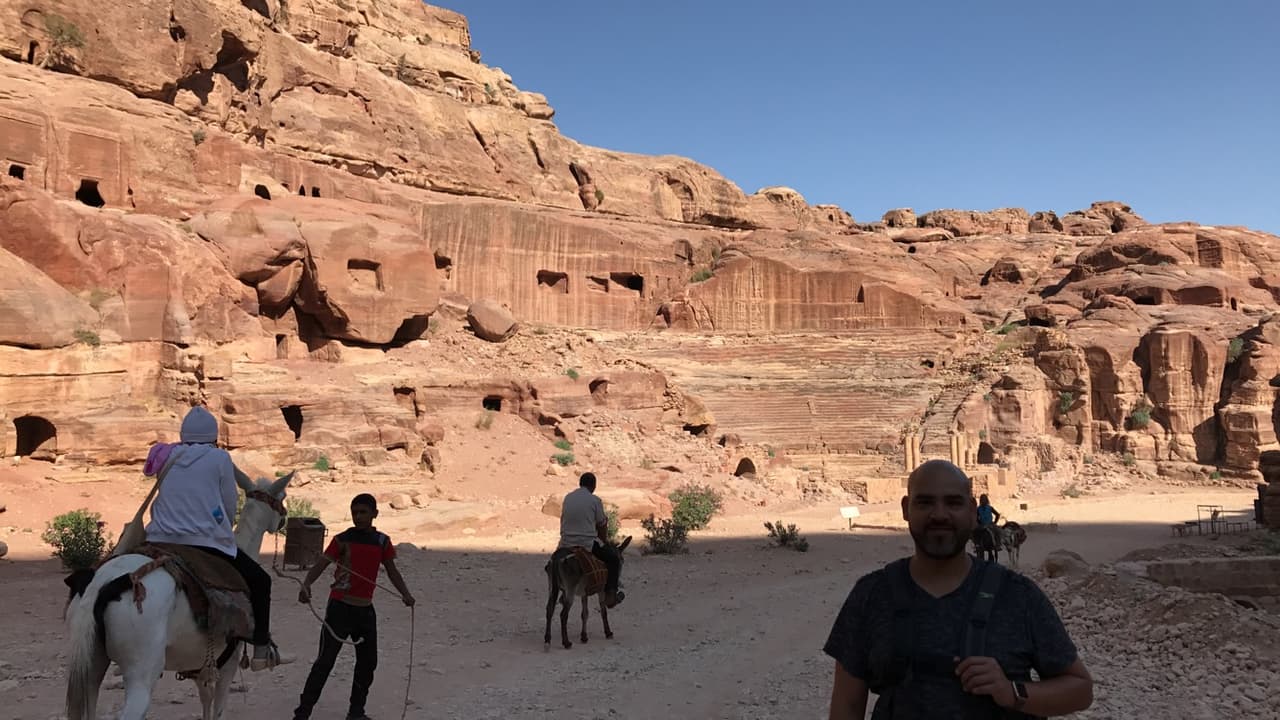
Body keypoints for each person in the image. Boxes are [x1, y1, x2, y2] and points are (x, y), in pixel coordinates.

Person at [824, 459, 1093, 719]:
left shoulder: (1018, 595)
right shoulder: (872, 594)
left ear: (973, 511)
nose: (939, 515)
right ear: (906, 509)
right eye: (925, 502)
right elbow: (847, 704)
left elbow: (1080, 690)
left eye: (953, 503)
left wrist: (1012, 692)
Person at [144, 405, 284, 671]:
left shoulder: (167, 455)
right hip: (203, 542)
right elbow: (229, 505)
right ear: (213, 436)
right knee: (261, 581)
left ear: (184, 435)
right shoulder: (220, 458)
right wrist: (221, 527)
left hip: (159, 538)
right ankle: (260, 648)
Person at [293, 494, 415, 720]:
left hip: (365, 610)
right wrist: (306, 584)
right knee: (325, 662)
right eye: (355, 513)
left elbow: (392, 571)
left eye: (363, 512)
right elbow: (321, 564)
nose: (358, 517)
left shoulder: (382, 542)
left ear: (375, 514)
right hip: (339, 609)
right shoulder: (341, 540)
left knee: (368, 663)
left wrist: (406, 594)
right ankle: (302, 714)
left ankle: (356, 712)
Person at [558, 471, 621, 607]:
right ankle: (611, 595)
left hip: (565, 542)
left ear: (580, 484)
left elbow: (563, 519)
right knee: (613, 560)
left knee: (557, 560)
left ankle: (562, 590)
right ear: (593, 486)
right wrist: (604, 541)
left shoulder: (568, 497)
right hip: (586, 543)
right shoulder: (595, 500)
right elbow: (602, 524)